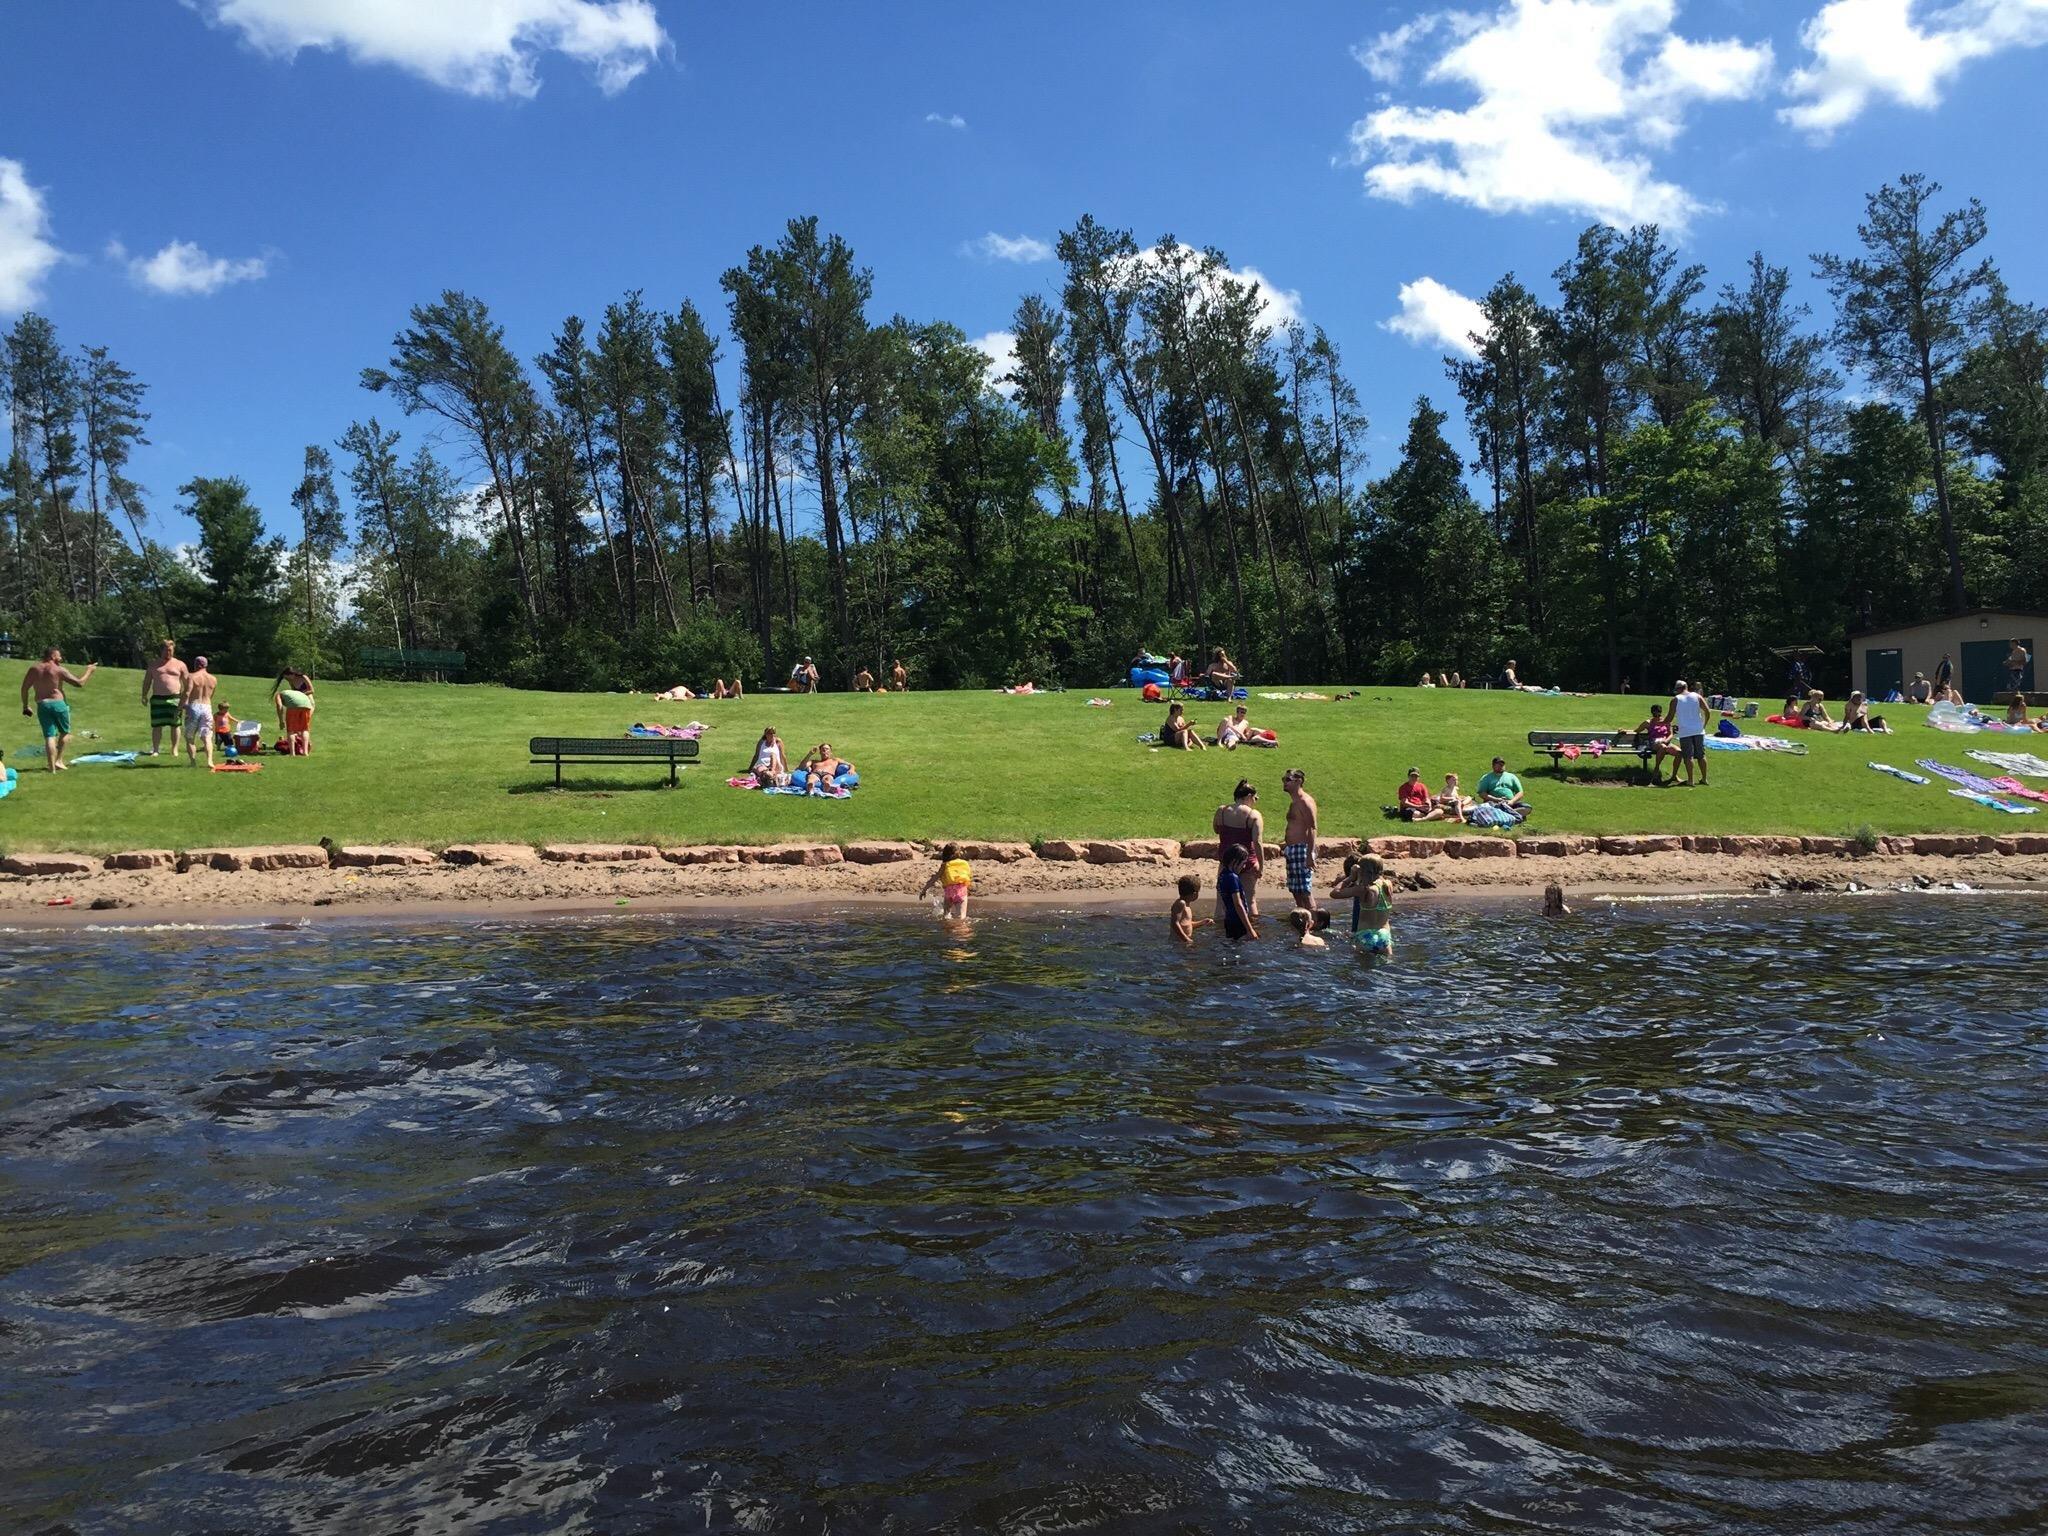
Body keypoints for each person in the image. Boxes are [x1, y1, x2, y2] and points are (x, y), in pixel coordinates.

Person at [19, 646, 98, 772]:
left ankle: (51, 768)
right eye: (59, 656)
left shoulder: (34, 669)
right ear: (52, 656)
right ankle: (59, 761)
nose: (61, 658)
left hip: (42, 704)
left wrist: (25, 705)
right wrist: (89, 671)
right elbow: (79, 683)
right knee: (64, 732)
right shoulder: (58, 669)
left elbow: (24, 688)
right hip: (58, 704)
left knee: (49, 736)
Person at [1213, 779, 1264, 922]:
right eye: (1255, 798)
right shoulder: (1253, 815)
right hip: (1247, 862)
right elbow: (1257, 842)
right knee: (1250, 900)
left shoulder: (1222, 811)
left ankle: (1219, 933)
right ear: (1248, 796)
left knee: (1221, 901)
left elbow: (1217, 829)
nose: (1255, 801)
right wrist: (1261, 866)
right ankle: (1252, 931)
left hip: (1226, 861)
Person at [1332, 853, 1393, 961]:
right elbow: (1378, 875)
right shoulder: (1388, 885)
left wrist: (1351, 877)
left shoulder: (1363, 889)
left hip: (1365, 936)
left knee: (1362, 969)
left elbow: (1335, 893)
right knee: (1386, 968)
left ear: (1362, 871)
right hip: (1384, 936)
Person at [1281, 768, 1318, 919]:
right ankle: (1302, 922)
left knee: (1304, 890)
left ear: (1298, 781)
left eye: (1287, 780)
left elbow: (1313, 827)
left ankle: (1314, 921)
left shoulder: (1305, 802)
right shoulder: (1295, 802)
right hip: (1292, 850)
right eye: (1283, 779)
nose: (1284, 783)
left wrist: (1310, 853)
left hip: (1302, 850)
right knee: (1295, 889)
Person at [141, 638, 188, 757]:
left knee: (175, 724)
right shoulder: (153, 665)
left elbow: (187, 683)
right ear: (161, 650)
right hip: (158, 698)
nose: (169, 652)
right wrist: (144, 695)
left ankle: (174, 749)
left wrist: (186, 698)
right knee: (157, 725)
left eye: (171, 650)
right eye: (167, 650)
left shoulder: (180, 664)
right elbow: (147, 682)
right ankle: (156, 749)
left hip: (175, 698)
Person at [1667, 678, 1710, 788]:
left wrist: (1661, 722)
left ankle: (1690, 780)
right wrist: (1703, 725)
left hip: (1685, 731)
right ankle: (1704, 779)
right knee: (1701, 755)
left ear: (1678, 689)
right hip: (1698, 730)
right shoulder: (1697, 696)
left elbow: (1669, 717)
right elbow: (1707, 711)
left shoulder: (1675, 699)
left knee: (1688, 756)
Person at [181, 655, 219, 768]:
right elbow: (211, 695)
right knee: (207, 737)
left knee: (189, 737)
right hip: (207, 706)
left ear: (195, 665)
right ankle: (209, 761)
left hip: (194, 706)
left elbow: (187, 692)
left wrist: (180, 706)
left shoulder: (192, 677)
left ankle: (193, 762)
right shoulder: (213, 679)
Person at [1217, 844, 1259, 941]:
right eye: (1243, 863)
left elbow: (1224, 903)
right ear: (1234, 861)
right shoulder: (1233, 877)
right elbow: (1238, 904)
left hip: (1228, 920)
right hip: (1237, 921)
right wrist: (1250, 929)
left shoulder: (1222, 875)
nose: (1244, 866)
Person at [921, 842, 972, 919]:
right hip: (961, 891)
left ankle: (947, 929)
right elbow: (967, 876)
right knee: (961, 917)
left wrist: (924, 889)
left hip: (949, 891)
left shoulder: (945, 865)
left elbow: (934, 878)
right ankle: (960, 930)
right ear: (958, 853)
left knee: (946, 916)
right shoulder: (964, 863)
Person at [273, 664, 316, 756]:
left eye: (287, 677)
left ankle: (302, 747)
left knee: (301, 727)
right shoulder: (291, 681)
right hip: (301, 703)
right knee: (301, 728)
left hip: (309, 701)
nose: (287, 680)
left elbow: (312, 690)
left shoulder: (303, 677)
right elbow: (293, 692)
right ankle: (302, 748)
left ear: (291, 674)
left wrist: (301, 694)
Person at [1634, 703, 1677, 784]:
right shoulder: (1648, 722)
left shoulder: (1666, 721)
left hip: (1665, 742)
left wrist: (1666, 740)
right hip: (1654, 742)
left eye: (1658, 712)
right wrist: (1625, 731)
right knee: (1663, 747)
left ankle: (1674, 776)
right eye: (1654, 712)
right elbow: (1637, 730)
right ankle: (1656, 769)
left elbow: (1671, 734)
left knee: (1679, 752)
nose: (1656, 714)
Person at [1170, 874, 1211, 943]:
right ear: (1195, 894)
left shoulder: (1187, 905)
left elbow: (1187, 924)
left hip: (1184, 941)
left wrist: (1202, 922)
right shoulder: (1180, 903)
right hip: (1178, 942)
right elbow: (1174, 923)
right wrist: (1185, 939)